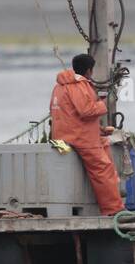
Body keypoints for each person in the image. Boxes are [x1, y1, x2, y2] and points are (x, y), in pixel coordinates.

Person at [49, 53, 123, 215]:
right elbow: (86, 111)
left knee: (104, 144)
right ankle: (113, 209)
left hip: (60, 138)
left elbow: (67, 114)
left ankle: (115, 196)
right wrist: (104, 104)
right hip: (80, 138)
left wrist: (100, 130)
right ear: (89, 70)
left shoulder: (59, 85)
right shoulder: (78, 85)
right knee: (103, 169)